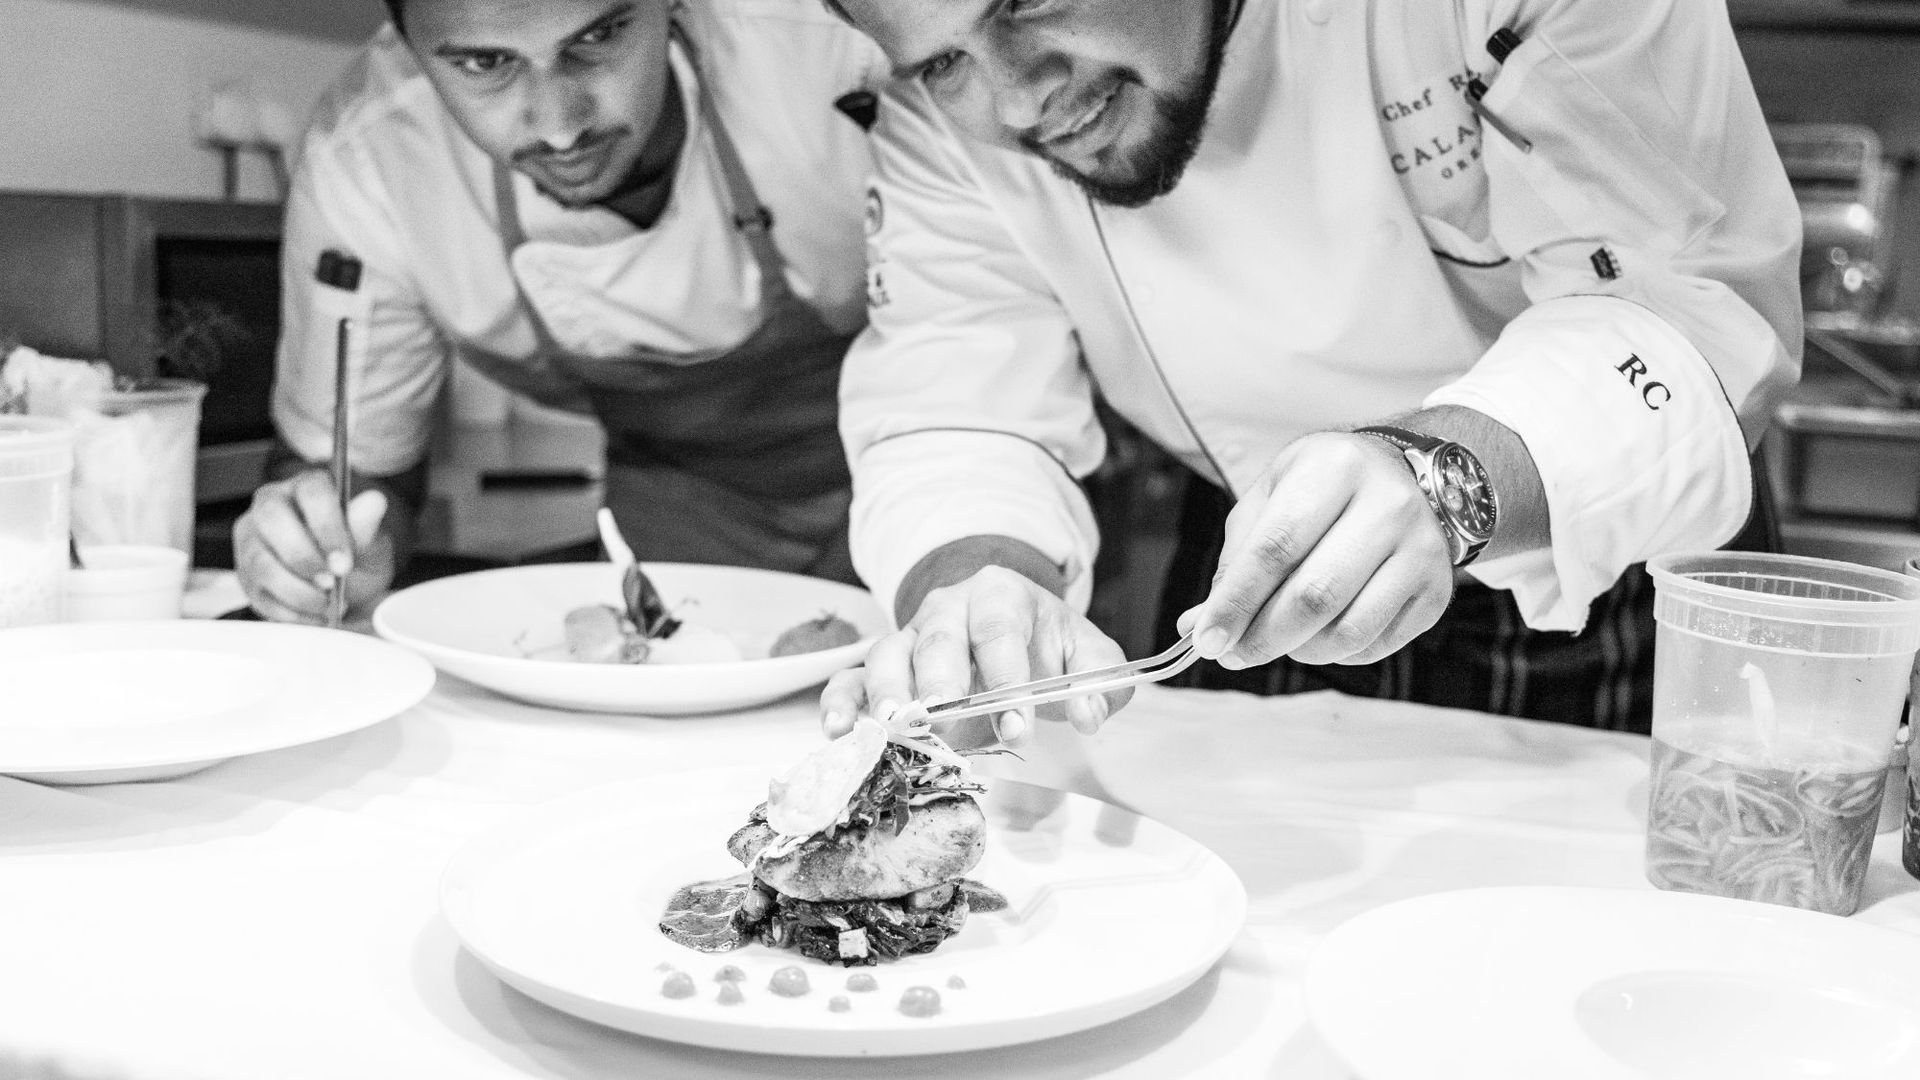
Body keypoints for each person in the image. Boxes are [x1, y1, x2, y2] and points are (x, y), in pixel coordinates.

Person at [819, 0, 1801, 740]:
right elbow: (955, 378)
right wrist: (979, 584)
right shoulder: (941, 122)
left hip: (1613, 553)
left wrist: (1441, 479)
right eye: (945, 59)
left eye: (1027, 1)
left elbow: (1696, 309)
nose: (1019, 96)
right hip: (1259, 559)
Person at [234, 0, 883, 623]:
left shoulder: (837, 47)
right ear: (407, 48)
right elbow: (357, 478)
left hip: (929, 484)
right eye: (484, 64)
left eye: (597, 39)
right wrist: (319, 547)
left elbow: (974, 331)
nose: (560, 125)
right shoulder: (372, 161)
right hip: (683, 531)